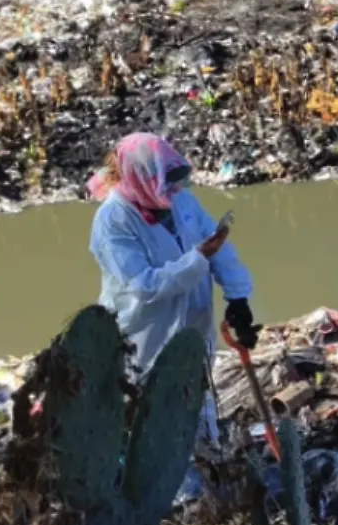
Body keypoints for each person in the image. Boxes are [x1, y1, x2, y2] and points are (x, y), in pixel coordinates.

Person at [88, 133, 257, 440]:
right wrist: (197, 260)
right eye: (168, 180)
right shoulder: (113, 221)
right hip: (144, 337)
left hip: (193, 328)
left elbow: (217, 245)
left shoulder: (181, 201)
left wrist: (238, 298)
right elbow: (144, 285)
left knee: (197, 402)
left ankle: (211, 464)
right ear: (141, 177)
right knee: (152, 419)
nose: (175, 188)